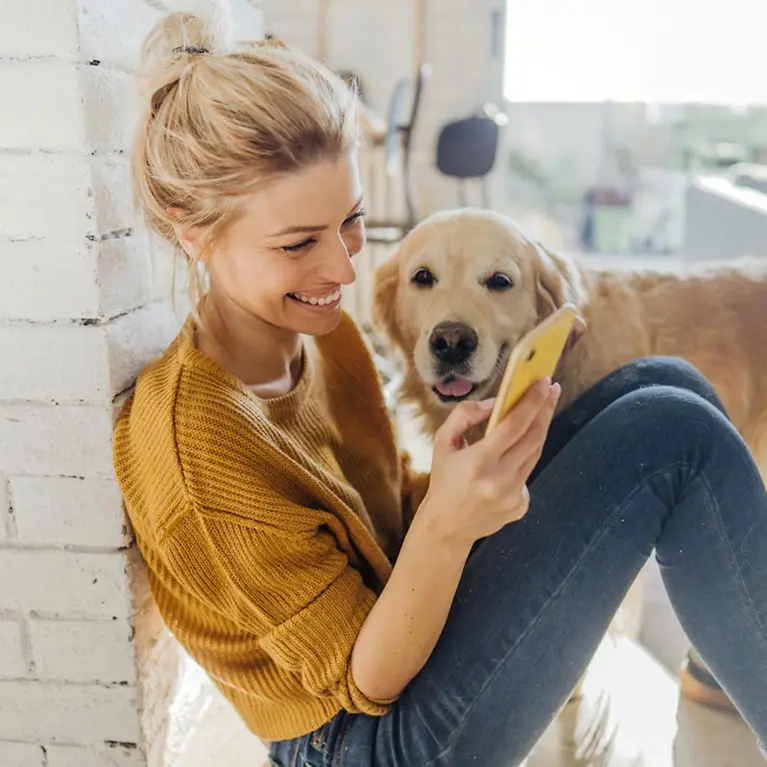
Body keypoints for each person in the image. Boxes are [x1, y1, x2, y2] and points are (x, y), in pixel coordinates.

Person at [114, 12, 767, 767]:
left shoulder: (323, 338)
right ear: (191, 230)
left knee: (660, 384)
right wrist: (452, 522)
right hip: (364, 738)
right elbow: (363, 679)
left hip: (405, 645)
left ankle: (727, 668)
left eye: (350, 223)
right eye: (298, 243)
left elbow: (384, 505)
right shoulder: (198, 442)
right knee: (667, 434)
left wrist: (476, 475)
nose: (343, 269)